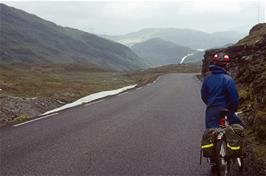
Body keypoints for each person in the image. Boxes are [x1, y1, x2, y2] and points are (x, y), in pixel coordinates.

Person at [201, 52, 242, 129]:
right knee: (238, 130)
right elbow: (234, 99)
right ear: (226, 64)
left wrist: (211, 103)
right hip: (225, 111)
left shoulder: (207, 78)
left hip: (211, 111)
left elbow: (204, 96)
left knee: (211, 133)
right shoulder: (228, 79)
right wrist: (231, 110)